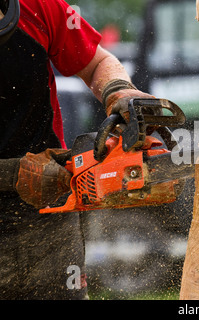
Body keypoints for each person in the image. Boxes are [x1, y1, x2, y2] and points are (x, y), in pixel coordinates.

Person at [0, 0, 153, 299]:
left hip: (50, 216)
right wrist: (11, 174)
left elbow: (96, 62)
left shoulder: (39, 7)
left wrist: (117, 91)